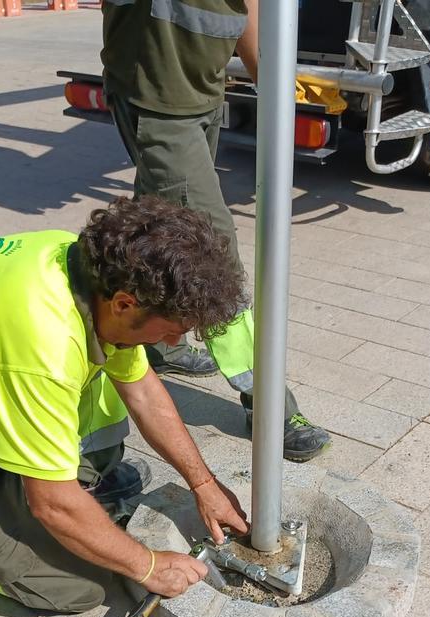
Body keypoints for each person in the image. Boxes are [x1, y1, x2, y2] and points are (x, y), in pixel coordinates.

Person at [0, 196, 250, 613]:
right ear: (125, 303)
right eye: (172, 331)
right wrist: (149, 567)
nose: (172, 343)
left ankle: (37, 491)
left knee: (102, 411)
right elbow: (51, 504)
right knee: (80, 585)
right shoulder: (44, 345)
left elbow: (143, 391)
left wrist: (203, 484)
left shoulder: (92, 269)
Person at [101, 0, 333, 462]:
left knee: (157, 232)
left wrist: (266, 74)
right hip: (158, 97)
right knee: (211, 260)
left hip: (203, 92)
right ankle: (268, 406)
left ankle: (149, 338)